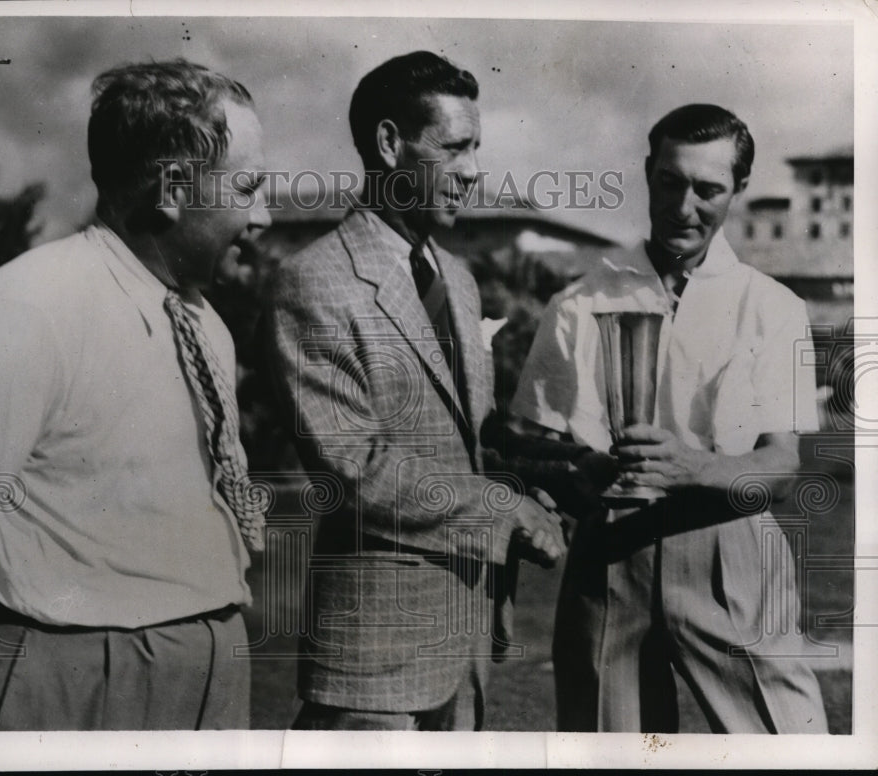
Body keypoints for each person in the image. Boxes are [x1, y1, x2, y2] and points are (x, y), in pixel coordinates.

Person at [0, 59, 271, 730]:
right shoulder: (27, 304)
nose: (266, 213)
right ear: (173, 187)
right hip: (71, 677)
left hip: (211, 667)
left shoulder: (208, 325)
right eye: (250, 185)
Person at [262, 50, 566, 731]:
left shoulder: (456, 278)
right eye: (454, 148)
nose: (474, 171)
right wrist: (500, 509)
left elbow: (465, 439)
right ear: (390, 145)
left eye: (477, 148)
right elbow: (353, 468)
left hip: (466, 646)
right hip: (374, 666)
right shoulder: (314, 282)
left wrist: (531, 483)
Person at [504, 103, 828, 733]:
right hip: (608, 551)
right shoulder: (578, 301)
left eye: (708, 189)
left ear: (738, 189)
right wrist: (579, 471)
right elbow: (530, 447)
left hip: (729, 547)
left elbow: (782, 467)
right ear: (648, 173)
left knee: (787, 741)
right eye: (669, 182)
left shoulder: (772, 307)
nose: (684, 207)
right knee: (609, 750)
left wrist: (694, 466)